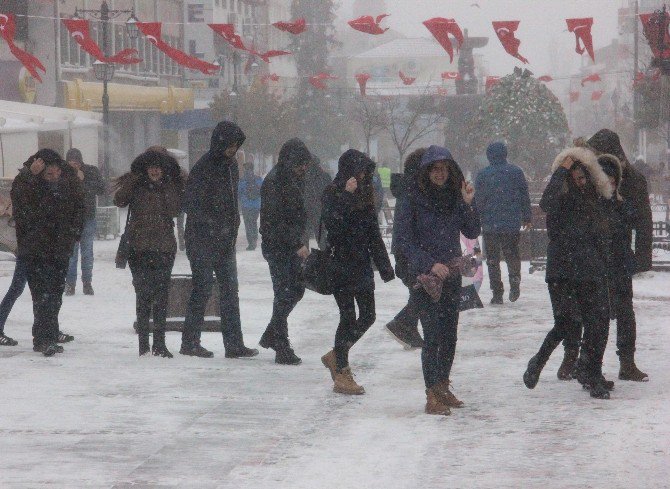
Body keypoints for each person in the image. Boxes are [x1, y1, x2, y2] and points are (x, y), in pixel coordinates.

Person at [395, 145, 480, 416]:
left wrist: (468, 204)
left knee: (450, 335)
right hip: (426, 279)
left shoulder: (454, 198)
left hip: (452, 275)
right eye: (435, 169)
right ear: (425, 172)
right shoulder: (411, 199)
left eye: (444, 169)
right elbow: (402, 242)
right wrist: (430, 264)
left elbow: (472, 230)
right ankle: (431, 393)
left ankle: (443, 384)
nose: (440, 174)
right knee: (432, 336)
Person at [523, 146, 613, 399]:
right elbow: (546, 201)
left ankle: (590, 371)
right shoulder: (560, 198)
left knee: (598, 322)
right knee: (567, 324)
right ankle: (538, 362)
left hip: (589, 268)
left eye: (583, 177)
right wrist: (562, 170)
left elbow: (601, 233)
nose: (580, 182)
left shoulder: (593, 199)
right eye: (574, 177)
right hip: (563, 270)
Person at [576, 130, 652, 381]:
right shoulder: (591, 176)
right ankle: (586, 363)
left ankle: (626, 361)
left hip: (617, 254)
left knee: (623, 309)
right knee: (593, 311)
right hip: (594, 253)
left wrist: (642, 257)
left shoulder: (632, 180)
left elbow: (643, 222)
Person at [181, 120, 258, 359]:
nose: (233, 149)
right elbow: (190, 203)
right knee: (202, 289)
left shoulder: (231, 166)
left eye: (236, 145)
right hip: (202, 239)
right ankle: (190, 341)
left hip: (225, 239)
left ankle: (234, 344)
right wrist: (212, 224)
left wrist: (231, 228)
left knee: (229, 291)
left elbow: (231, 201)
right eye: (230, 145)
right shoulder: (204, 167)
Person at [320, 149, 395, 395]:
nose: (362, 177)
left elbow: (373, 233)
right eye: (359, 172)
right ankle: (342, 372)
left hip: (361, 265)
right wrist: (345, 195)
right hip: (340, 265)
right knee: (348, 316)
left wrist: (385, 266)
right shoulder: (332, 193)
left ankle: (336, 355)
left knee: (369, 315)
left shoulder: (365, 196)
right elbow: (332, 225)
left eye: (365, 172)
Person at [10, 149, 84, 356]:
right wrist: (29, 175)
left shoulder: (67, 186)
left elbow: (79, 206)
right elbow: (19, 198)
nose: (53, 178)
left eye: (56, 174)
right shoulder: (30, 184)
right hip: (36, 250)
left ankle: (50, 336)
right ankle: (42, 339)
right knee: (41, 296)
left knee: (55, 296)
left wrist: (74, 233)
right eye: (48, 175)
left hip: (59, 248)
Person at [114, 149, 183, 357]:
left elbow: (175, 210)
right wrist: (132, 181)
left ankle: (159, 344)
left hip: (164, 248)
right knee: (143, 295)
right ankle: (143, 343)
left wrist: (169, 186)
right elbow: (119, 200)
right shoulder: (136, 185)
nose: (154, 171)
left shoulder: (170, 186)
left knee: (162, 296)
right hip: (139, 248)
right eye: (151, 167)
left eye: (158, 167)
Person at [258, 139, 312, 365]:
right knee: (285, 292)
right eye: (300, 164)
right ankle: (280, 343)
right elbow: (273, 221)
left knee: (295, 289)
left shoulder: (292, 180)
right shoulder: (275, 182)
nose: (303, 169)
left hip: (290, 246)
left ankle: (273, 334)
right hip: (278, 247)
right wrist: (295, 243)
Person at [474, 142, 531, 304]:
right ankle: (514, 280)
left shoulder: (483, 175)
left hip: (490, 224)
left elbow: (479, 200)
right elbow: (524, 196)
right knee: (512, 254)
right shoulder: (516, 172)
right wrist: (526, 217)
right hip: (511, 223)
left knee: (492, 259)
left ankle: (497, 292)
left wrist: (477, 219)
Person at [384, 148, 426, 350]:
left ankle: (408, 326)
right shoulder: (412, 192)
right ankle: (404, 323)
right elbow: (407, 228)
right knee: (422, 291)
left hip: (407, 251)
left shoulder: (409, 190)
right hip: (409, 252)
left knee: (419, 291)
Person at [64, 148, 105, 296]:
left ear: (81, 162)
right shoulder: (62, 173)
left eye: (76, 162)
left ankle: (87, 283)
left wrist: (84, 181)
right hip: (69, 219)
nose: (74, 165)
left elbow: (101, 189)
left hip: (87, 217)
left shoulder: (91, 171)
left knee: (87, 252)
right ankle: (70, 284)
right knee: (71, 254)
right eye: (70, 163)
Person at [304, 156, 332, 249]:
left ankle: (304, 260)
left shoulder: (303, 176)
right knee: (321, 235)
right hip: (320, 208)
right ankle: (326, 256)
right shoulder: (325, 176)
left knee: (304, 235)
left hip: (306, 209)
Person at [238, 161, 263, 251]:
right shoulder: (258, 179)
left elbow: (239, 192)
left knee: (248, 224)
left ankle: (251, 242)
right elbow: (263, 191)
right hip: (256, 206)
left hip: (246, 205)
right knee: (254, 223)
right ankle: (255, 239)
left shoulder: (242, 180)